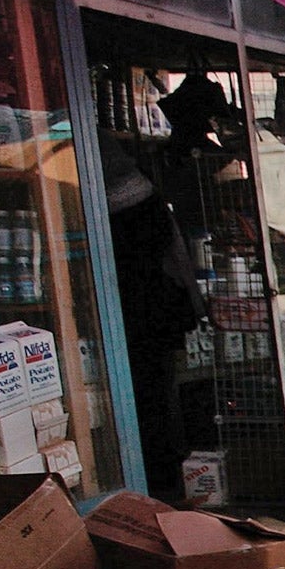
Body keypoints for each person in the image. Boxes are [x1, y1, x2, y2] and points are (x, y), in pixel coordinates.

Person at [103, 133, 204, 501]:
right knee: (158, 399)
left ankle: (160, 484)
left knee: (151, 402)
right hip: (154, 321)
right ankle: (165, 485)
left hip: (143, 321)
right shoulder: (150, 207)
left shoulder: (124, 217)